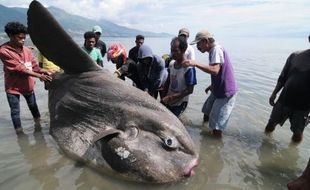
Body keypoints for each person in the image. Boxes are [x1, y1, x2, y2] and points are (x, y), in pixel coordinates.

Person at [182, 29, 238, 138]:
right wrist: (212, 85)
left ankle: (214, 144)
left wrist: (195, 63)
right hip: (218, 88)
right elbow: (221, 71)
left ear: (205, 41)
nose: (197, 47)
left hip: (226, 92)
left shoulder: (216, 50)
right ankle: (204, 132)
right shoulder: (214, 50)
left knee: (217, 125)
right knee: (207, 110)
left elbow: (215, 70)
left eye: (198, 44)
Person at [0, 22, 52, 134]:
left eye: (24, 38)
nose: (23, 40)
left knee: (33, 107)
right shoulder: (4, 51)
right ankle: (19, 133)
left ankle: (38, 127)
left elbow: (34, 66)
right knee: (15, 111)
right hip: (13, 87)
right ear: (11, 35)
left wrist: (44, 71)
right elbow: (20, 69)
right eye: (20, 38)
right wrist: (39, 76)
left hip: (27, 85)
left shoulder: (27, 50)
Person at [264, 36, 310, 143]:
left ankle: (293, 151)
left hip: (303, 107)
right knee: (270, 125)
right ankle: (265, 144)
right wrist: (274, 93)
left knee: (298, 132)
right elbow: (283, 77)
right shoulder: (295, 56)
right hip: (283, 100)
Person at [161, 36, 197, 117]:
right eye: (171, 50)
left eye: (175, 51)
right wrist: (163, 96)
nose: (172, 53)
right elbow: (168, 81)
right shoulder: (172, 64)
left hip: (180, 102)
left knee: (174, 121)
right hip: (169, 99)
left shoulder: (189, 68)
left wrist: (171, 97)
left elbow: (189, 90)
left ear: (183, 50)